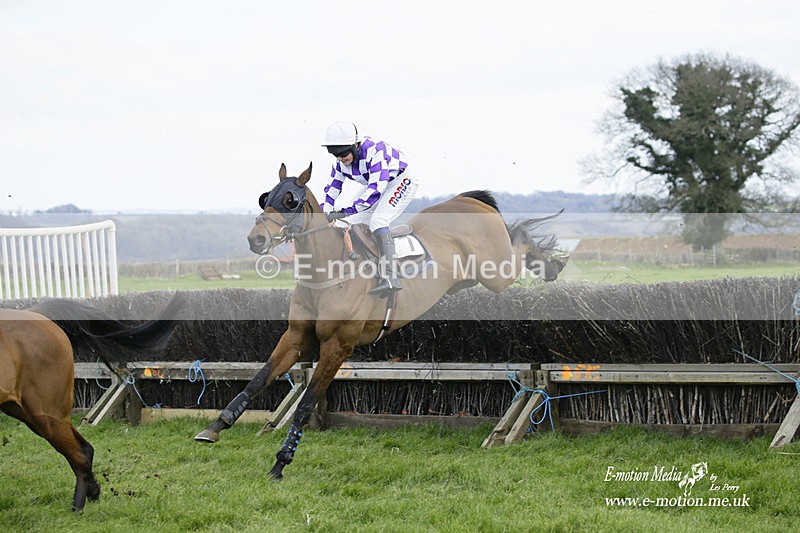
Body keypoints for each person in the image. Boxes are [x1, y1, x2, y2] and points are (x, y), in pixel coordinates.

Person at [320, 121, 418, 297]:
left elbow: (374, 192)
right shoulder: (339, 163)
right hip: (378, 184)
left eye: (343, 152)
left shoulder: (375, 151)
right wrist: (323, 213)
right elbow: (331, 190)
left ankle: (391, 276)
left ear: (356, 144)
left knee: (378, 221)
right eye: (334, 153)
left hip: (400, 181)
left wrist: (344, 211)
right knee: (345, 224)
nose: (340, 158)